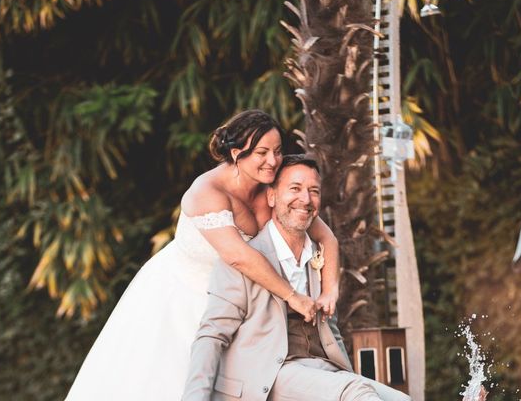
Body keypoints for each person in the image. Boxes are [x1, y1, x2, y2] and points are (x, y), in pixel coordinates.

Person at [66, 111, 340, 401]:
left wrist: (330, 289)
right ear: (237, 154)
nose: (273, 160)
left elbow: (327, 238)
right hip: (182, 297)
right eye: (262, 152)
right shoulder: (206, 191)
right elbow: (239, 256)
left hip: (241, 297)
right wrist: (291, 296)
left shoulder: (271, 184)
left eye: (277, 150)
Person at [183, 155, 410, 401]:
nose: (306, 199)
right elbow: (212, 335)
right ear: (271, 197)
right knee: (356, 393)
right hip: (269, 376)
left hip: (321, 368)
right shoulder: (244, 261)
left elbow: (329, 330)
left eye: (314, 191)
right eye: (295, 188)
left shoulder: (320, 256)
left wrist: (346, 373)